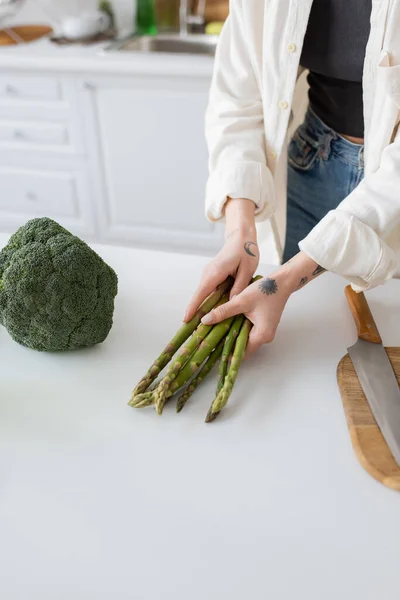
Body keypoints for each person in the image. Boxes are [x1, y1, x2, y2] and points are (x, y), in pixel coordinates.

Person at [184, 0, 400, 356]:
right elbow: (239, 91)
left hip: (392, 194)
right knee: (304, 345)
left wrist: (285, 280)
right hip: (312, 161)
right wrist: (241, 231)